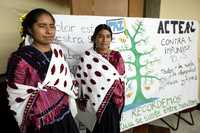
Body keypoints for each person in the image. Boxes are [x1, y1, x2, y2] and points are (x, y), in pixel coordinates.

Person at [6, 8, 79, 133]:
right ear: (29, 29)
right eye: (42, 26)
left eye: (52, 26)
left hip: (65, 114)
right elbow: (16, 93)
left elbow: (65, 80)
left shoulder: (58, 52)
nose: (49, 31)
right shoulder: (20, 58)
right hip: (39, 123)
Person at [76, 24, 125, 133]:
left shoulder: (116, 56)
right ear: (94, 38)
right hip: (92, 104)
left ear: (111, 39)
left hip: (111, 105)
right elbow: (80, 82)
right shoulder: (86, 57)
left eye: (108, 36)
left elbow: (119, 80)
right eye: (100, 36)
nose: (104, 40)